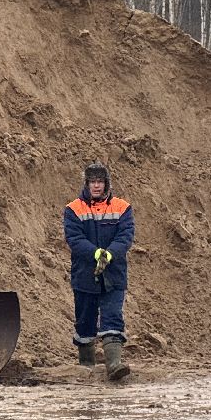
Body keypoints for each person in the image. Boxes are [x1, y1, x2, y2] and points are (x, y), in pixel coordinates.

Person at [63, 161, 134, 380]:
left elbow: (126, 236)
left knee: (112, 317)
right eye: (93, 182)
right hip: (85, 275)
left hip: (113, 275)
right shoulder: (74, 208)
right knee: (85, 321)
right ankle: (86, 367)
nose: (96, 186)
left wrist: (109, 254)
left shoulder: (122, 207)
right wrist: (95, 254)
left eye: (100, 182)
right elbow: (74, 238)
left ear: (106, 184)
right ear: (86, 184)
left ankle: (114, 365)